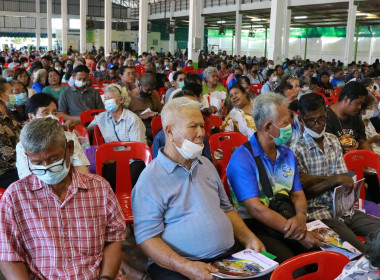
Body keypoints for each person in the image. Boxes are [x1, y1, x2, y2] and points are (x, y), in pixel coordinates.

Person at [132, 97, 266, 280]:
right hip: (180, 265)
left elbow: (226, 209)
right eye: (193, 126)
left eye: (202, 126)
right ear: (169, 131)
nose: (201, 133)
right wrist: (186, 266)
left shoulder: (205, 164)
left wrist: (249, 238)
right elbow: (147, 239)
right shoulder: (150, 180)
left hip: (228, 257)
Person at [0, 117, 127, 279]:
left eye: (53, 159)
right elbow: (9, 256)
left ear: (70, 148)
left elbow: (113, 239)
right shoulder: (15, 197)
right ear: (27, 157)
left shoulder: (100, 188)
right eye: (37, 162)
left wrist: (106, 277)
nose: (46, 168)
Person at [227, 93, 323, 263]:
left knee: (320, 255)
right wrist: (299, 235)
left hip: (287, 217)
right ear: (268, 127)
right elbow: (255, 209)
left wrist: (301, 216)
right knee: (294, 266)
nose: (291, 125)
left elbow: (297, 193)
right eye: (285, 122)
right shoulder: (242, 159)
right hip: (256, 226)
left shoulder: (286, 153)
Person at [291, 93, 378, 253]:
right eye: (311, 120)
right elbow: (302, 193)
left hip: (345, 209)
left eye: (321, 118)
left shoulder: (332, 140)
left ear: (327, 114)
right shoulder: (297, 148)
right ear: (302, 119)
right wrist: (334, 180)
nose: (317, 125)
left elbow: (342, 177)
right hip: (321, 214)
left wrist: (346, 186)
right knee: (358, 251)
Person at [16, 93, 90, 179]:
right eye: (45, 113)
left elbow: (82, 170)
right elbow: (27, 179)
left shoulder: (69, 137)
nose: (51, 117)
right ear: (31, 117)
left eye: (55, 113)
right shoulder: (23, 145)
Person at [326, 81, 371, 153]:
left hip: (355, 158)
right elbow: (330, 152)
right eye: (358, 103)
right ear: (346, 99)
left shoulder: (355, 116)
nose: (360, 107)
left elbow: (363, 142)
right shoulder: (326, 118)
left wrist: (373, 161)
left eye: (361, 104)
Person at [128, 73, 163, 144]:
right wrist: (142, 116)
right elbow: (127, 121)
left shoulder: (153, 94)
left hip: (153, 124)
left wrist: (156, 115)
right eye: (147, 90)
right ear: (139, 85)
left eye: (152, 90)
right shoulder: (129, 98)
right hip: (138, 127)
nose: (150, 92)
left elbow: (160, 110)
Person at [0, 79, 21, 188]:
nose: (13, 95)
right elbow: (8, 154)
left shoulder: (10, 115)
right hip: (5, 172)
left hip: (19, 164)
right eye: (11, 92)